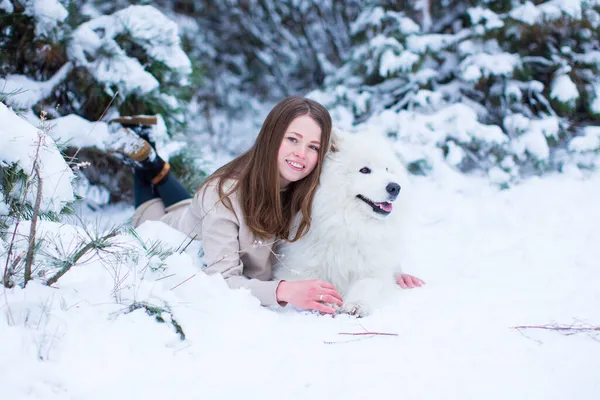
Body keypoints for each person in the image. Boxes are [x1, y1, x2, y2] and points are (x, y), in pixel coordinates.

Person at [110, 96, 423, 314]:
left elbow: (346, 227)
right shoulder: (222, 197)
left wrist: (387, 269)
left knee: (182, 199)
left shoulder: (310, 184)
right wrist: (284, 291)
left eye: (313, 146)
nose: (302, 153)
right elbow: (221, 281)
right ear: (272, 136)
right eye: (292, 139)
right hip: (178, 233)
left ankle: (153, 160)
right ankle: (142, 156)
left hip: (195, 206)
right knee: (150, 213)